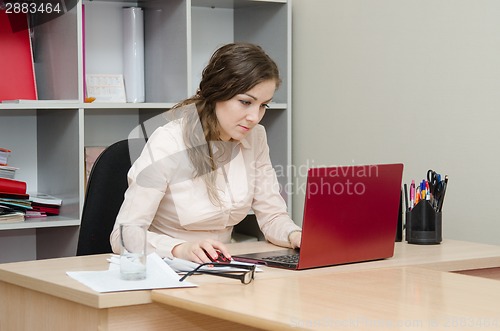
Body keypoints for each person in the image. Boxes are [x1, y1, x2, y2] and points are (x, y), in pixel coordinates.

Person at [110, 42, 302, 263]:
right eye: (245, 102)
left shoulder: (255, 137)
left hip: (221, 268)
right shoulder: (169, 141)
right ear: (217, 93)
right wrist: (179, 249)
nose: (254, 117)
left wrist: (295, 235)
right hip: (167, 267)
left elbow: (272, 217)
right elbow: (123, 236)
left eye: (263, 106)